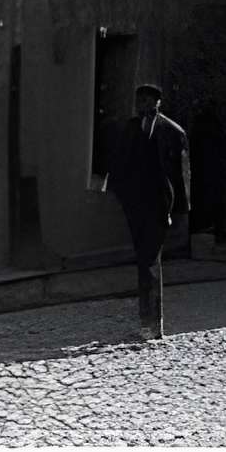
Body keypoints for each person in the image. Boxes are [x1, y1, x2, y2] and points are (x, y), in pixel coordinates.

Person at [93, 83, 191, 343]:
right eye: (140, 100)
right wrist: (117, 193)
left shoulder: (172, 132)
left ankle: (151, 324)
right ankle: (147, 322)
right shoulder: (131, 128)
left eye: (149, 100)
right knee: (144, 261)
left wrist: (180, 212)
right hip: (136, 205)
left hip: (160, 206)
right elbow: (120, 163)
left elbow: (181, 177)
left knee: (150, 262)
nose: (143, 105)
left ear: (158, 103)